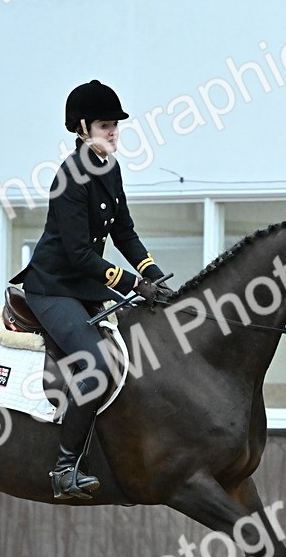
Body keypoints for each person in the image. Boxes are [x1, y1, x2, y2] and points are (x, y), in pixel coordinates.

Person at [10, 79, 174, 500]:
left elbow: (124, 232)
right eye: (105, 125)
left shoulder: (110, 169)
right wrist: (133, 283)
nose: (114, 131)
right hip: (53, 288)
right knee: (98, 366)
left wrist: (153, 273)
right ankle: (65, 469)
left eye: (116, 124)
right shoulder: (69, 178)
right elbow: (81, 254)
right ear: (83, 128)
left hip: (83, 286)